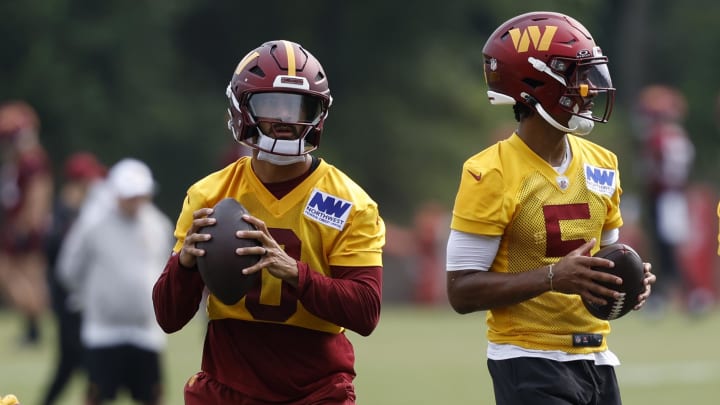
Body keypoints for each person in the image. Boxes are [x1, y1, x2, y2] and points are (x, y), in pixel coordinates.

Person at [152, 40, 385, 404]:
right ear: (242, 107)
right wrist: (183, 266)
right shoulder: (209, 194)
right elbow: (168, 317)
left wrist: (295, 272)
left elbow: (366, 312)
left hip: (316, 392)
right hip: (228, 388)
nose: (286, 121)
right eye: (272, 104)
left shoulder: (349, 203)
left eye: (298, 107)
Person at [445, 12, 657, 405]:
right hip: (528, 359)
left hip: (597, 358)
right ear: (535, 85)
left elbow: (603, 263)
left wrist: (627, 280)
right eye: (577, 77)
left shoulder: (603, 163)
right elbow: (461, 292)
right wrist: (551, 278)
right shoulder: (488, 172)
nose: (590, 90)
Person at [59, 158, 172, 405]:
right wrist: (93, 298)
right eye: (129, 195)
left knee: (152, 396)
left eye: (140, 195)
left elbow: (164, 268)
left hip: (145, 333)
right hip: (103, 332)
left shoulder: (158, 225)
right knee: (97, 396)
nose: (135, 201)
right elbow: (69, 269)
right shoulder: (93, 223)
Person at [41, 152, 106, 405]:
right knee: (85, 362)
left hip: (82, 302)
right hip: (67, 302)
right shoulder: (60, 217)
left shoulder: (82, 214)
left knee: (68, 365)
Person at [635, 85, 695, 311]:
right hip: (664, 196)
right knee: (662, 246)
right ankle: (676, 294)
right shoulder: (663, 137)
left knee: (669, 247)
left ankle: (687, 294)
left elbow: (669, 173)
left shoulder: (666, 138)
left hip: (668, 196)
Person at [0, 100, 54, 346]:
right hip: (18, 225)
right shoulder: (21, 161)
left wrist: (27, 225)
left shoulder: (32, 161)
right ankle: (32, 329)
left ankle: (35, 329)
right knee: (21, 278)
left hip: (26, 229)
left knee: (25, 278)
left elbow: (39, 193)